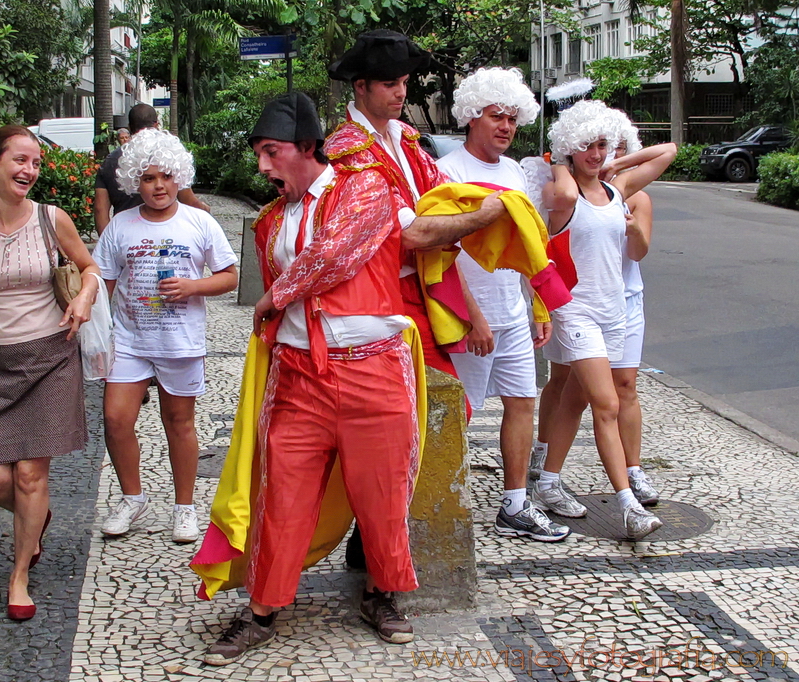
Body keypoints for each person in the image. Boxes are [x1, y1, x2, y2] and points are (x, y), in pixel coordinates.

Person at [199, 92, 422, 665]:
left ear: (306, 147)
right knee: (282, 495)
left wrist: (277, 293)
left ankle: (383, 591)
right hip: (299, 374)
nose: (264, 167)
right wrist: (279, 300)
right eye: (259, 156)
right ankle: (262, 608)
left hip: (373, 365)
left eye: (272, 153)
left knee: (384, 492)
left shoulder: (366, 186)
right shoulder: (271, 219)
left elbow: (337, 251)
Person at [324, 29, 506, 569]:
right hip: (368, 296)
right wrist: (488, 216)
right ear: (360, 87)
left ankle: (382, 527)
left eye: (404, 81)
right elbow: (415, 233)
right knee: (388, 421)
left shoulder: (405, 141)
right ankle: (373, 530)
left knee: (440, 412)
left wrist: (470, 309)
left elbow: (434, 225)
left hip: (418, 290)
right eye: (388, 83)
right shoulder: (343, 150)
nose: (400, 92)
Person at [0, 124, 101, 621]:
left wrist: (86, 298)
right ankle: (37, 518)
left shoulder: (52, 219)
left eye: (35, 163)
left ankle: (20, 573)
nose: (29, 170)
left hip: (50, 357)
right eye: (19, 160)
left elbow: (89, 268)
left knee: (30, 474)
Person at [435, 67, 569, 542]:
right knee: (459, 413)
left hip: (513, 315)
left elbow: (526, 249)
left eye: (513, 118)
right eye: (497, 116)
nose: (506, 126)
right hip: (469, 320)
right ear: (473, 116)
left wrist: (537, 308)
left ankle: (515, 504)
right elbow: (440, 256)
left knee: (521, 404)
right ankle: (434, 507)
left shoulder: (514, 172)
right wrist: (472, 317)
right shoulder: (448, 172)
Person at [534, 101, 676, 539]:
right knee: (607, 404)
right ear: (568, 148)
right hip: (576, 311)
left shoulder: (619, 189)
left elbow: (668, 151)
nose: (595, 155)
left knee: (577, 401)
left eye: (602, 145)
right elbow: (565, 192)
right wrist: (561, 160)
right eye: (586, 146)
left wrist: (616, 158)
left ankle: (549, 481)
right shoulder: (563, 196)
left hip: (615, 311)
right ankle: (628, 505)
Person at [94, 128, 238, 543]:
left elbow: (229, 277)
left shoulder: (200, 222)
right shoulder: (120, 226)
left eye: (166, 177)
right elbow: (103, 280)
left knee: (179, 422)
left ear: (180, 177)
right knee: (116, 418)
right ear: (132, 182)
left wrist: (193, 287)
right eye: (148, 178)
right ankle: (132, 498)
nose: (158, 186)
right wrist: (91, 323)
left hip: (179, 340)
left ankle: (184, 507)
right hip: (129, 340)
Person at [93, 104, 211, 235]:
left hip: (126, 233)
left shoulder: (110, 161)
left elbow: (100, 210)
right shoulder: (167, 155)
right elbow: (188, 200)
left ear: (130, 128)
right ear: (156, 125)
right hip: (166, 232)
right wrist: (205, 212)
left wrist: (108, 243)